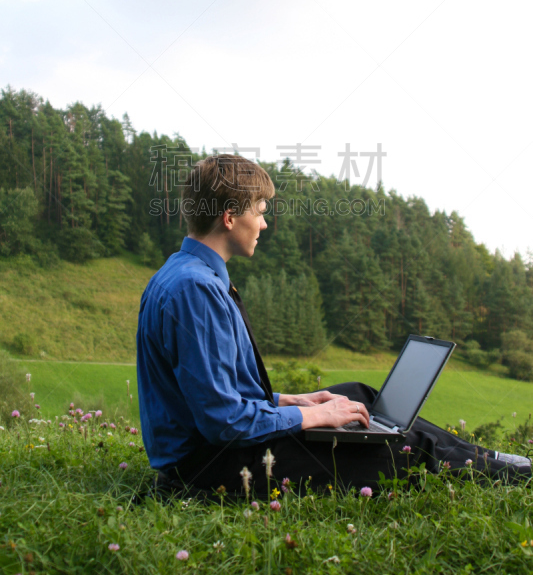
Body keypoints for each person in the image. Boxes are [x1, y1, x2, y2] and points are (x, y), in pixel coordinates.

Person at [137, 154, 530, 498]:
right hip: (212, 467)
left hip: (218, 447)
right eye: (259, 211)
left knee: (359, 396)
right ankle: (512, 474)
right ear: (229, 218)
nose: (264, 223)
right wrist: (311, 418)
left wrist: (296, 401)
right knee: (398, 450)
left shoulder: (185, 275)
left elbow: (215, 396)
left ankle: (490, 457)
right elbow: (222, 421)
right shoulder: (196, 290)